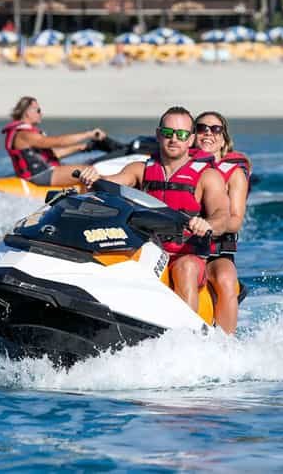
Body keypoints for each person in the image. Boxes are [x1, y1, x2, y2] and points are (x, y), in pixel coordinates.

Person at [78, 106, 229, 313]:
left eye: (182, 134)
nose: (174, 139)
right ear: (158, 135)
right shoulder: (140, 169)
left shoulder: (208, 176)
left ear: (191, 138)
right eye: (168, 133)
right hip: (148, 249)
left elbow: (222, 215)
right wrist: (93, 180)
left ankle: (187, 337)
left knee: (186, 268)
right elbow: (112, 185)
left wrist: (207, 224)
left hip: (185, 256)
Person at [193, 111, 251, 334]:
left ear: (224, 139)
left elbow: (235, 221)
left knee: (225, 277)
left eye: (216, 129)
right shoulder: (177, 167)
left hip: (215, 251)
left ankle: (226, 345)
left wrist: (210, 225)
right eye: (201, 128)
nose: (208, 133)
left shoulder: (234, 174)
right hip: (175, 246)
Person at [3, 96, 108, 186]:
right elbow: (58, 141)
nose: (41, 114)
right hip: (39, 175)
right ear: (27, 112)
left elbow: (54, 154)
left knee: (89, 167)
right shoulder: (24, 135)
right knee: (88, 171)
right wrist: (89, 134)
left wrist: (81, 147)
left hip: (45, 171)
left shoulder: (27, 133)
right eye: (38, 110)